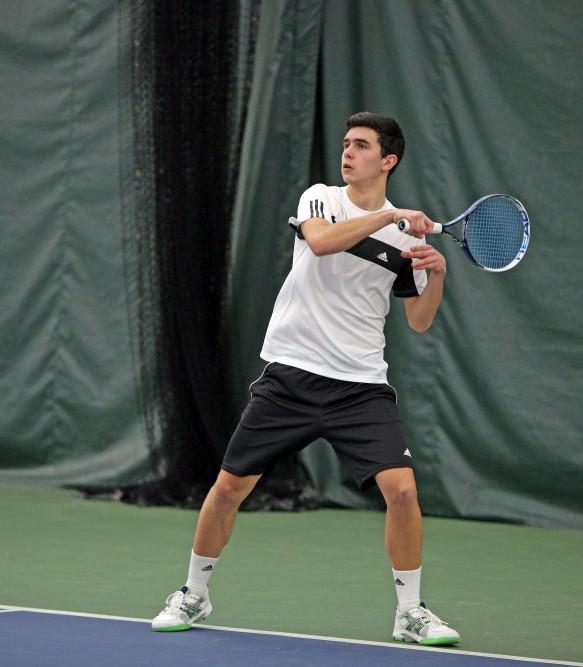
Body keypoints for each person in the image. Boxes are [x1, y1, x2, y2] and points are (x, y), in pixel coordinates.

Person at [151, 112, 460, 646]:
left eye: (361, 146)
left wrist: (435, 274)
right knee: (228, 489)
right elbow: (319, 243)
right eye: (346, 144)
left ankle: (410, 612)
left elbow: (419, 320)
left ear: (388, 160)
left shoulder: (404, 238)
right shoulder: (320, 197)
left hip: (359, 385)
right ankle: (194, 595)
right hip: (291, 375)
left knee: (403, 493)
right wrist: (391, 219)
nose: (348, 152)